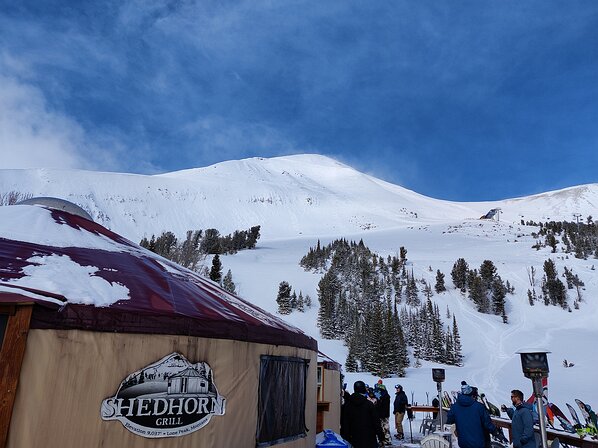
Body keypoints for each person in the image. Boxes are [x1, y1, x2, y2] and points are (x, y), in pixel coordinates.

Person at [447, 382, 498, 448]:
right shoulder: (479, 407)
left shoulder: (455, 407)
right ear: (472, 395)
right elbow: (487, 423)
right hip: (478, 443)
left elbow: (449, 420)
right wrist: (495, 431)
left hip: (463, 443)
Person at [341, 380, 384, 448]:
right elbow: (376, 422)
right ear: (363, 389)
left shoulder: (347, 405)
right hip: (369, 438)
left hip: (353, 438)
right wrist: (381, 436)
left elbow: (344, 422)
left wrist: (345, 436)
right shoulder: (369, 404)